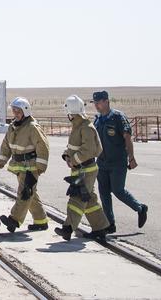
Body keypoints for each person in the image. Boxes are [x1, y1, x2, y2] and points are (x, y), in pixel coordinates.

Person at [92, 90, 147, 234]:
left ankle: (140, 208)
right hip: (102, 162)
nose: (96, 105)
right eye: (95, 103)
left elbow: (127, 138)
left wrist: (132, 158)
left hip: (117, 162)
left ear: (106, 101)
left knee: (118, 190)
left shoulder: (118, 117)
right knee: (103, 193)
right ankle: (110, 223)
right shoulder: (97, 119)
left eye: (98, 102)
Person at [56, 94, 110, 242]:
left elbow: (89, 150)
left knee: (77, 198)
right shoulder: (78, 126)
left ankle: (68, 228)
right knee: (89, 199)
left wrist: (73, 160)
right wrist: (67, 155)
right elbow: (73, 147)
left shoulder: (85, 127)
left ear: (71, 112)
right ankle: (100, 228)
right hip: (80, 169)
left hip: (86, 169)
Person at [0, 96, 50, 234]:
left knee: (24, 193)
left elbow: (43, 147)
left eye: (18, 111)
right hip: (20, 166)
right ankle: (41, 221)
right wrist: (2, 160)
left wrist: (40, 167)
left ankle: (14, 219)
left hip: (31, 167)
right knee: (31, 194)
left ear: (25, 111)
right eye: (14, 111)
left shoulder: (32, 127)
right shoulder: (13, 127)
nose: (15, 114)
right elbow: (6, 145)